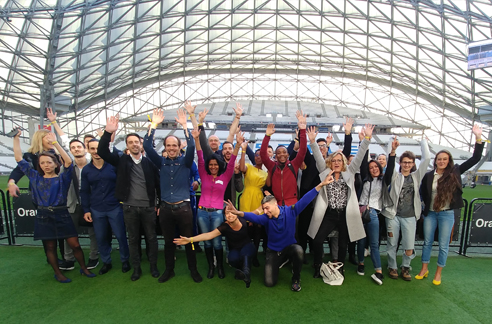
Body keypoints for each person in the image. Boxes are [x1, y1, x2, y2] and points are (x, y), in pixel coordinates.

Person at [225, 172, 335, 291]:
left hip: (289, 248)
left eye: (267, 208)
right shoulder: (265, 218)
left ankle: (296, 278)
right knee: (269, 282)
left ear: (275, 204)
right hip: (273, 251)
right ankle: (280, 262)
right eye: (263, 209)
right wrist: (238, 212)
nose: (265, 211)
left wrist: (321, 184)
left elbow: (305, 199)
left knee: (298, 250)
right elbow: (252, 217)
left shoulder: (291, 211)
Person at [12, 129, 95, 283]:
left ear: (56, 164)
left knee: (75, 245)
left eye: (49, 162)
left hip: (62, 214)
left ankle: (84, 268)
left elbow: (68, 162)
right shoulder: (35, 177)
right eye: (42, 163)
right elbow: (18, 158)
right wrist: (16, 139)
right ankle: (58, 273)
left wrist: (56, 143)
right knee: (50, 247)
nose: (46, 165)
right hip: (44, 216)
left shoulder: (63, 178)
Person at [416, 125, 484, 285]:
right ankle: (424, 269)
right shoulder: (428, 176)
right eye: (439, 159)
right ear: (435, 161)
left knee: (443, 244)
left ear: (449, 161)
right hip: (431, 214)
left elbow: (475, 158)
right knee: (427, 242)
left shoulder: (455, 172)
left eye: (444, 159)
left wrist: (478, 138)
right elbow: (422, 192)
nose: (441, 161)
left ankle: (438, 273)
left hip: (446, 214)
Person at [98, 115, 161, 281]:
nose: (135, 144)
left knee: (151, 238)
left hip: (148, 208)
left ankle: (153, 266)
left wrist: (158, 203)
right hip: (129, 208)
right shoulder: (121, 161)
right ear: (127, 145)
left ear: (141, 145)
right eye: (131, 142)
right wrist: (107, 133)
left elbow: (157, 185)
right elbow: (102, 152)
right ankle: (136, 268)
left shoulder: (149, 163)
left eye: (137, 142)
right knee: (133, 240)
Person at [143, 108, 202, 283]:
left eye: (174, 145)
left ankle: (193, 269)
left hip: (183, 208)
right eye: (168, 145)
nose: (171, 148)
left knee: (188, 240)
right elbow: (146, 146)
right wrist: (153, 124)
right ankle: (169, 270)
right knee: (169, 242)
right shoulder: (160, 162)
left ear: (179, 147)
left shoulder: (185, 162)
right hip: (166, 209)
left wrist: (185, 126)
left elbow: (191, 146)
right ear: (165, 147)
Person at [308, 125, 374, 278]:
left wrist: (367, 139)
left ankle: (340, 268)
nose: (337, 163)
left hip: (345, 215)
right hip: (329, 214)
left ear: (344, 163)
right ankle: (318, 265)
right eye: (334, 160)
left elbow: (359, 157)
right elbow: (318, 157)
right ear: (330, 162)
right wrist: (312, 141)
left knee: (343, 244)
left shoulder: (349, 173)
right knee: (317, 240)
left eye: (339, 160)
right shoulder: (325, 172)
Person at [192, 126, 243, 279]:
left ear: (219, 165)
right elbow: (200, 156)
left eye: (215, 164)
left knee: (216, 243)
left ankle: (220, 267)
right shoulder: (204, 174)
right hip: (202, 212)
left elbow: (233, 159)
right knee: (206, 243)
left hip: (217, 214)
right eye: (211, 165)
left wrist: (238, 145)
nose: (213, 167)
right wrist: (196, 139)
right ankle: (211, 268)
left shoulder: (225, 176)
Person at [7, 128, 65, 264]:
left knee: (62, 228)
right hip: (41, 199)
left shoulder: (57, 154)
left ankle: (66, 255)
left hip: (59, 197)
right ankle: (52, 258)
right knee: (48, 230)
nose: (51, 138)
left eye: (52, 136)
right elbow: (18, 169)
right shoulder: (31, 156)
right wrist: (11, 182)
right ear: (40, 139)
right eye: (47, 136)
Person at [381, 137, 430, 281]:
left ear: (413, 164)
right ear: (400, 163)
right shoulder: (395, 176)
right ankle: (392, 266)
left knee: (409, 246)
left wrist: (423, 143)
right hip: (393, 215)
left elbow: (426, 159)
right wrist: (393, 150)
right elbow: (389, 169)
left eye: (409, 162)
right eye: (404, 162)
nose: (407, 165)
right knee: (392, 243)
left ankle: (406, 267)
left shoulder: (416, 177)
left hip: (410, 216)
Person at [81, 139, 130, 275]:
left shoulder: (113, 166)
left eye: (98, 148)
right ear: (89, 150)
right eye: (92, 149)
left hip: (114, 206)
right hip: (97, 208)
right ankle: (106, 262)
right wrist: (86, 210)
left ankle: (125, 260)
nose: (96, 152)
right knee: (101, 237)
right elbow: (84, 191)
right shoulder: (86, 170)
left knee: (120, 236)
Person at [174, 207, 256, 288]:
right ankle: (241, 270)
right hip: (235, 249)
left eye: (232, 212)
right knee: (232, 259)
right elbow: (208, 235)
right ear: (224, 216)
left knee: (245, 254)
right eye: (227, 213)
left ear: (237, 213)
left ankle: (246, 275)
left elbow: (257, 212)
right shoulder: (224, 226)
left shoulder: (243, 219)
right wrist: (190, 240)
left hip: (248, 246)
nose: (230, 215)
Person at [356, 136, 398, 285]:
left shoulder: (384, 180)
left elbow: (391, 167)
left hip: (373, 213)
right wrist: (364, 142)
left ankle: (378, 271)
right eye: (371, 167)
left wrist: (392, 152)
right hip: (360, 212)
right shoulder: (365, 179)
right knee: (361, 242)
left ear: (380, 168)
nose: (374, 169)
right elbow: (361, 162)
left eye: (376, 167)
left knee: (374, 243)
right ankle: (361, 263)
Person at [260, 110, 307, 206]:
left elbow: (303, 150)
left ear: (287, 154)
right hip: (277, 205)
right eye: (279, 153)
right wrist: (267, 136)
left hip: (292, 204)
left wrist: (302, 130)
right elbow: (263, 155)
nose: (282, 154)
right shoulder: (272, 166)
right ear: (275, 156)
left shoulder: (294, 165)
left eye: (284, 152)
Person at [238, 144, 270, 266]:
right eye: (256, 155)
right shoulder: (248, 166)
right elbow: (241, 168)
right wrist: (243, 150)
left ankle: (255, 256)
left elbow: (268, 183)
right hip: (247, 197)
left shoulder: (265, 172)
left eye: (261, 155)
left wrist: (269, 166)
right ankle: (245, 256)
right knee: (246, 229)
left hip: (258, 199)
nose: (258, 157)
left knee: (257, 229)